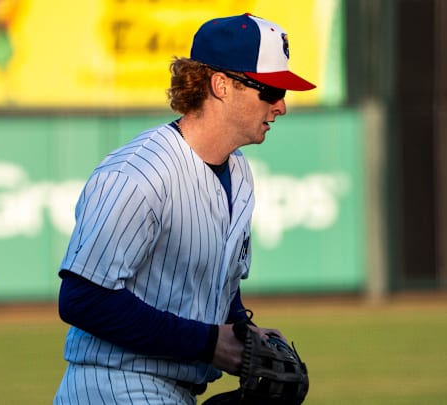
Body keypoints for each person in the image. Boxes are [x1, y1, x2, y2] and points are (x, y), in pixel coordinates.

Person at [54, 13, 316, 405]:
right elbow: (83, 299)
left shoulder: (239, 171)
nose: (280, 106)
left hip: (172, 389)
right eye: (269, 91)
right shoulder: (139, 173)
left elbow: (214, 287)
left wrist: (243, 330)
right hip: (112, 386)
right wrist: (210, 343)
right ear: (221, 85)